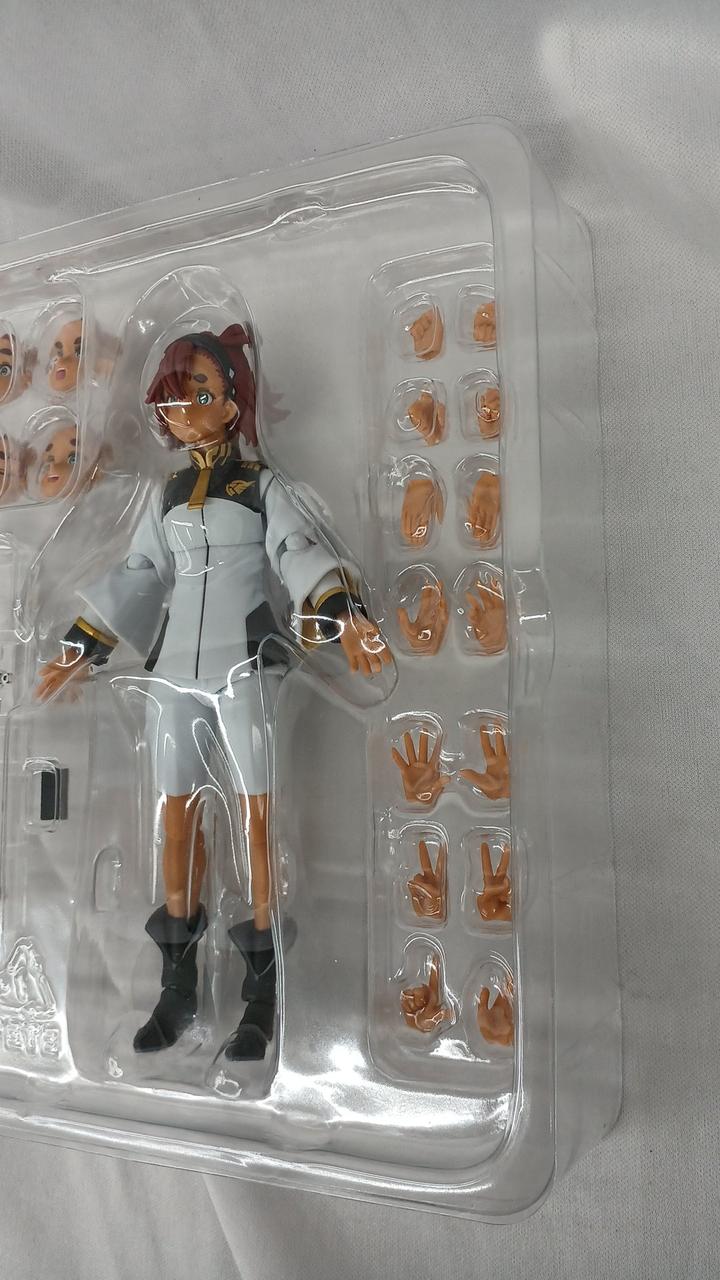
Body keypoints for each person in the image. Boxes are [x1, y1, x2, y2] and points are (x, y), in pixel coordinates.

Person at [35, 322, 390, 1062]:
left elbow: (296, 549)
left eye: (201, 391)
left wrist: (345, 614)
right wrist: (79, 645)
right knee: (175, 818)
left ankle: (262, 992)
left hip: (245, 663)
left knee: (257, 821)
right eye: (175, 395)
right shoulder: (166, 493)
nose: (185, 408)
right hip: (172, 671)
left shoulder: (260, 486)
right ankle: (178, 987)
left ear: (234, 403)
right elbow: (139, 572)